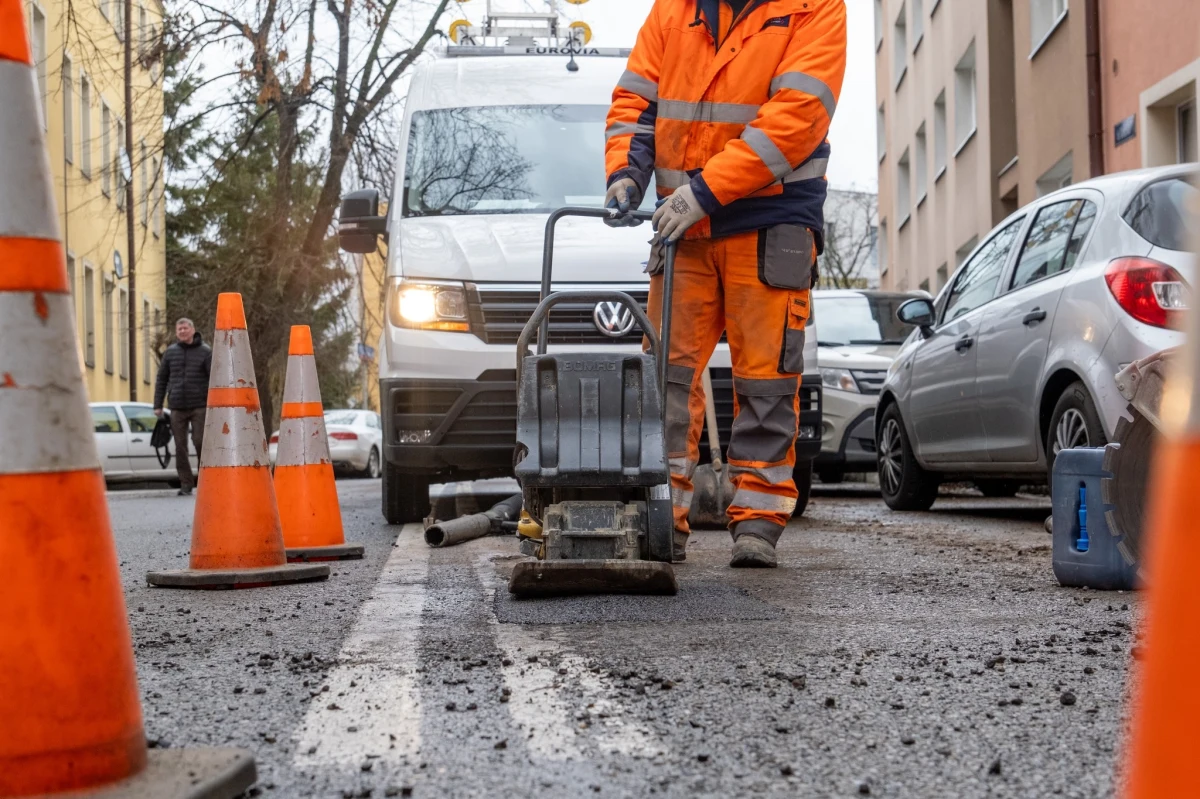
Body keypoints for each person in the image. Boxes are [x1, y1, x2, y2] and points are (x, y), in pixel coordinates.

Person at [605, 0, 846, 567]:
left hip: (768, 222)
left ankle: (758, 520)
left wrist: (704, 191)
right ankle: (662, 516)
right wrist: (625, 172)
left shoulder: (814, 10)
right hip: (684, 226)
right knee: (666, 377)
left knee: (767, 381)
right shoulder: (675, 11)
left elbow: (798, 117)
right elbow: (637, 104)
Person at [153, 317, 212, 495]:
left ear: (193, 330)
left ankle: (206, 481)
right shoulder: (170, 353)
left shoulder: (205, 351)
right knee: (180, 446)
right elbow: (161, 379)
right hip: (177, 405)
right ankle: (186, 484)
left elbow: (213, 378)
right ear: (176, 333)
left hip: (200, 405)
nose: (182, 332)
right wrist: (158, 405)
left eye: (185, 328)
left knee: (199, 441)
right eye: (179, 330)